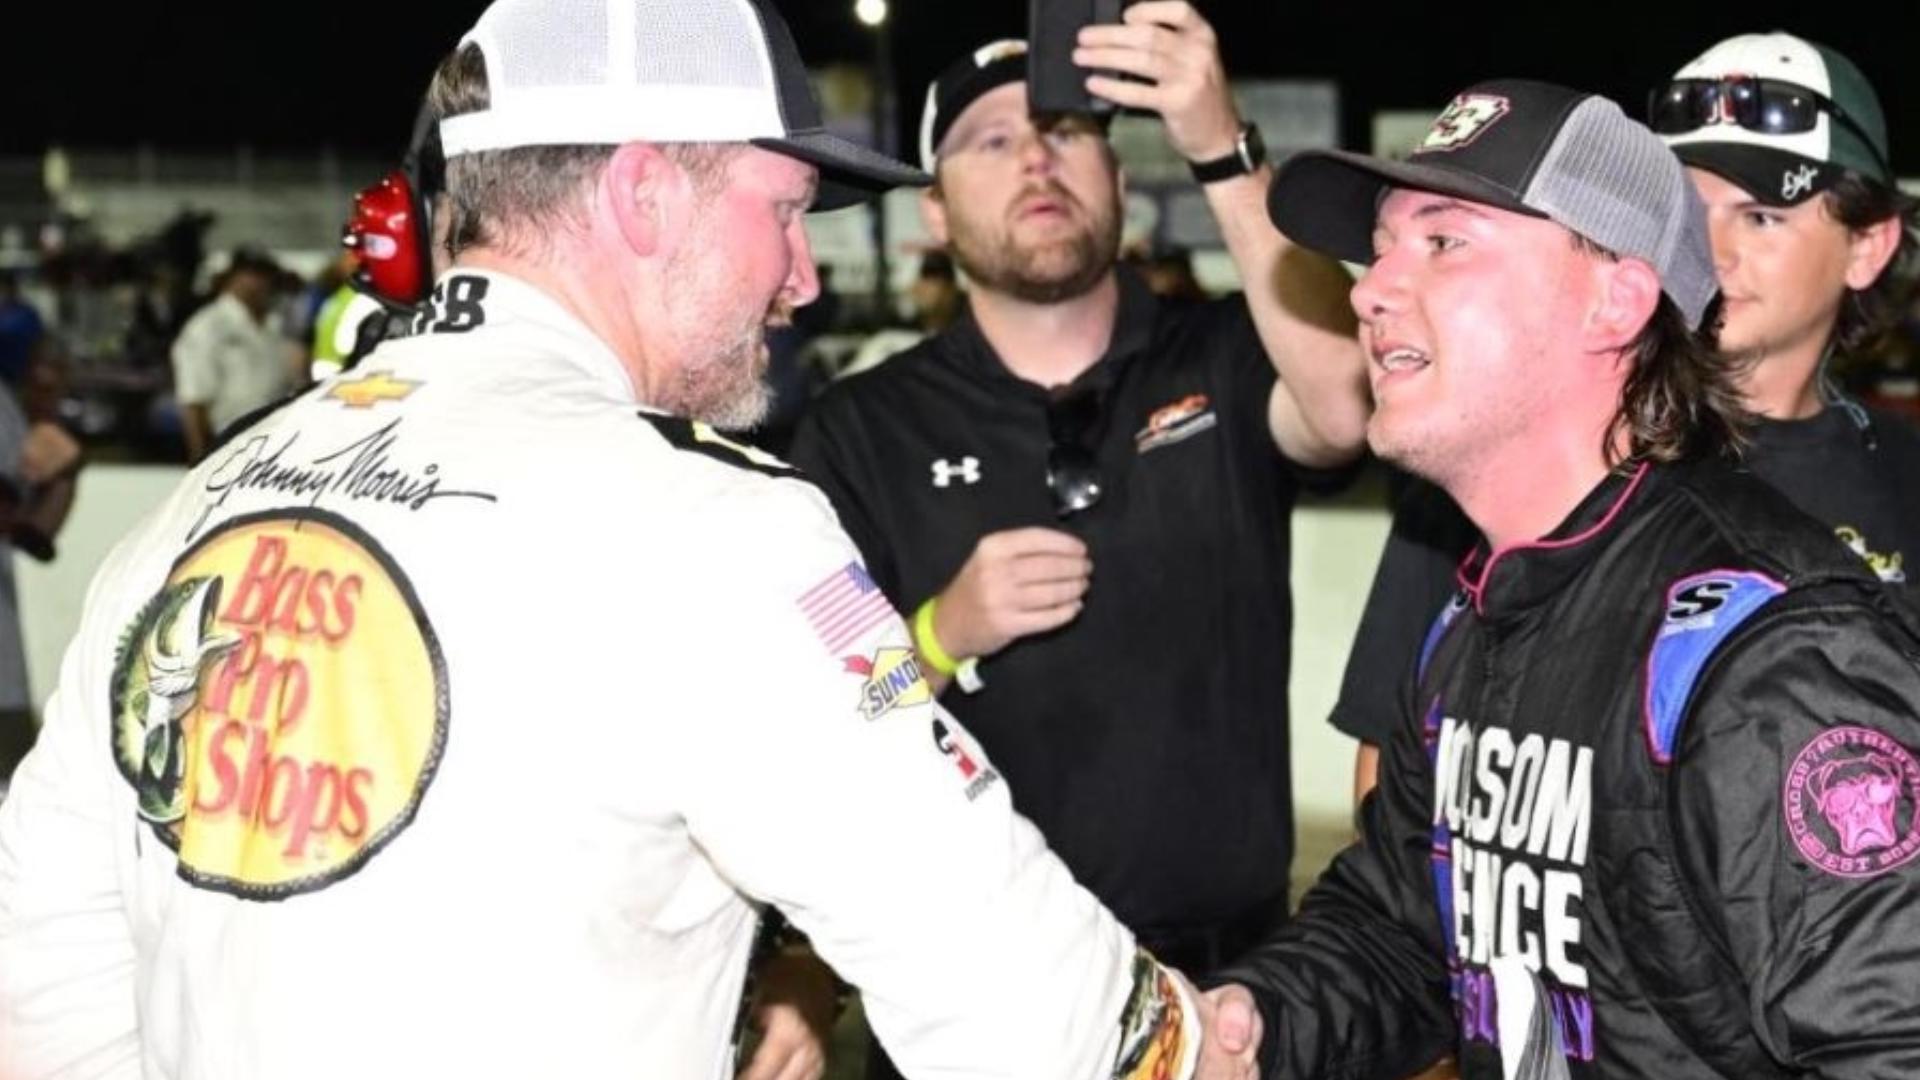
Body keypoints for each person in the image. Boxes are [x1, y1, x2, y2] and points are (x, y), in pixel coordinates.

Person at [0, 2, 1261, 1078]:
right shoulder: (713, 526)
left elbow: (45, 982)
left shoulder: (205, 500)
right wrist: (1181, 1045)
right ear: (647, 191)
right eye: (787, 207)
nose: (801, 278)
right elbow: (1019, 995)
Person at [1198, 77, 1920, 1079]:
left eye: (1443, 242)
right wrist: (1240, 1026)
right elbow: (1406, 936)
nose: (1368, 287)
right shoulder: (1475, 608)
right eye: (1382, 247)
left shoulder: (1766, 654)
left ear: (1614, 300)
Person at [788, 19, 1366, 1078]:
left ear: (1118, 169)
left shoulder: (1232, 355)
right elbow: (813, 716)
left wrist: (1218, 141)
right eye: (991, 142)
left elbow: (1344, 408)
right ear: (932, 211)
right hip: (964, 1004)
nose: (1039, 159)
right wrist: (939, 630)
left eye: (1066, 131)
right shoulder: (856, 431)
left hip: (1226, 996)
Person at [1335, 31, 1920, 808]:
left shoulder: (1906, 482)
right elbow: (1391, 789)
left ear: (1869, 245)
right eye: (1684, 210)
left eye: (1760, 218)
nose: (1710, 251)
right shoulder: (1523, 450)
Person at [169, 247, 299, 462]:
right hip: (228, 446)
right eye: (251, 274)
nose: (260, 283)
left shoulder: (275, 325)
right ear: (231, 278)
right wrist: (201, 461)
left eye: (265, 275)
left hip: (277, 446)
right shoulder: (208, 326)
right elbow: (194, 401)